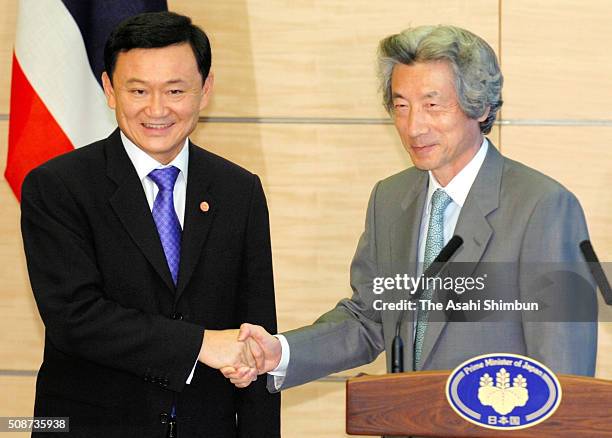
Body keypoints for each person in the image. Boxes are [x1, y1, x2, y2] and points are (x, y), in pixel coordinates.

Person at [222, 25, 598, 392]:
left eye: (432, 105)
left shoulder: (543, 207)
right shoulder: (389, 198)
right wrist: (280, 352)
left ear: (480, 107)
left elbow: (563, 372)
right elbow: (369, 318)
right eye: (401, 106)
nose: (413, 126)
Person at [21, 11, 279, 437]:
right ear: (109, 89)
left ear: (205, 90)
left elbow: (255, 335)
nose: (157, 109)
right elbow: (75, 318)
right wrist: (200, 344)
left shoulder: (239, 190)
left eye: (175, 90)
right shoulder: (58, 187)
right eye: (138, 90)